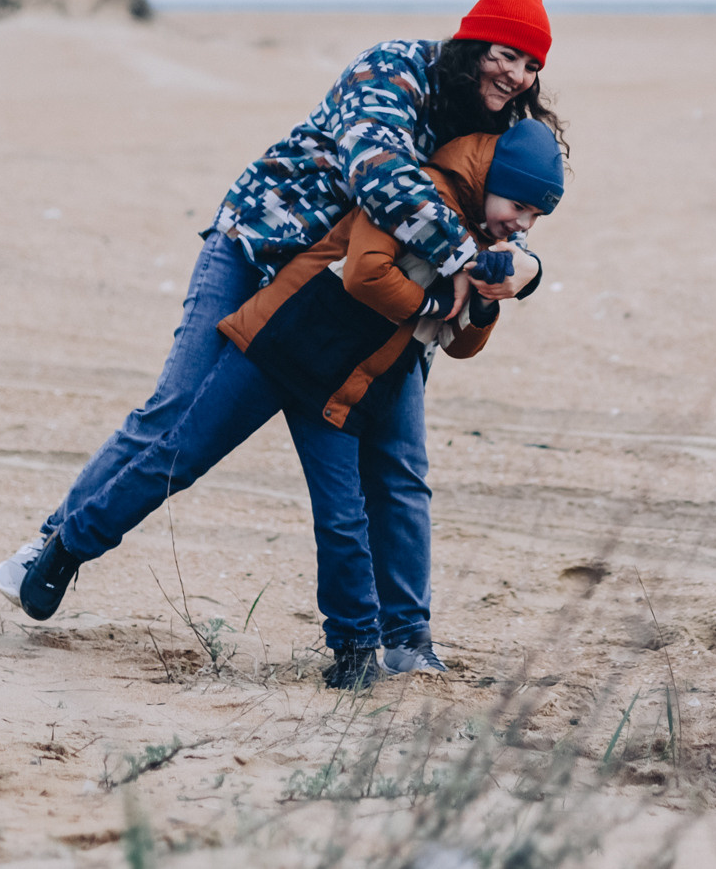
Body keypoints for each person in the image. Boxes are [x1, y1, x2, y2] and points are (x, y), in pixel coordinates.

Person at [0, 0, 563, 676]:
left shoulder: (494, 125)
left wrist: (525, 270)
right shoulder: (394, 67)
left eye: (531, 64)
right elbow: (379, 176)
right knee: (176, 409)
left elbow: (508, 207)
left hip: (346, 296)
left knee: (396, 466)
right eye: (506, 54)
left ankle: (404, 639)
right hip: (258, 243)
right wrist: (466, 264)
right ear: (472, 43)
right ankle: (52, 545)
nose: (516, 74)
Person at [215, 119, 563, 688]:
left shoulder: (493, 232)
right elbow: (363, 274)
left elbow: (463, 345)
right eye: (521, 207)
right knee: (190, 447)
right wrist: (437, 302)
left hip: (388, 359)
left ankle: (399, 638)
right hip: (305, 338)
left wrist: (487, 300)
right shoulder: (412, 187)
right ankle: (66, 544)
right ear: (492, 180)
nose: (524, 223)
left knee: (393, 484)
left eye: (536, 216)